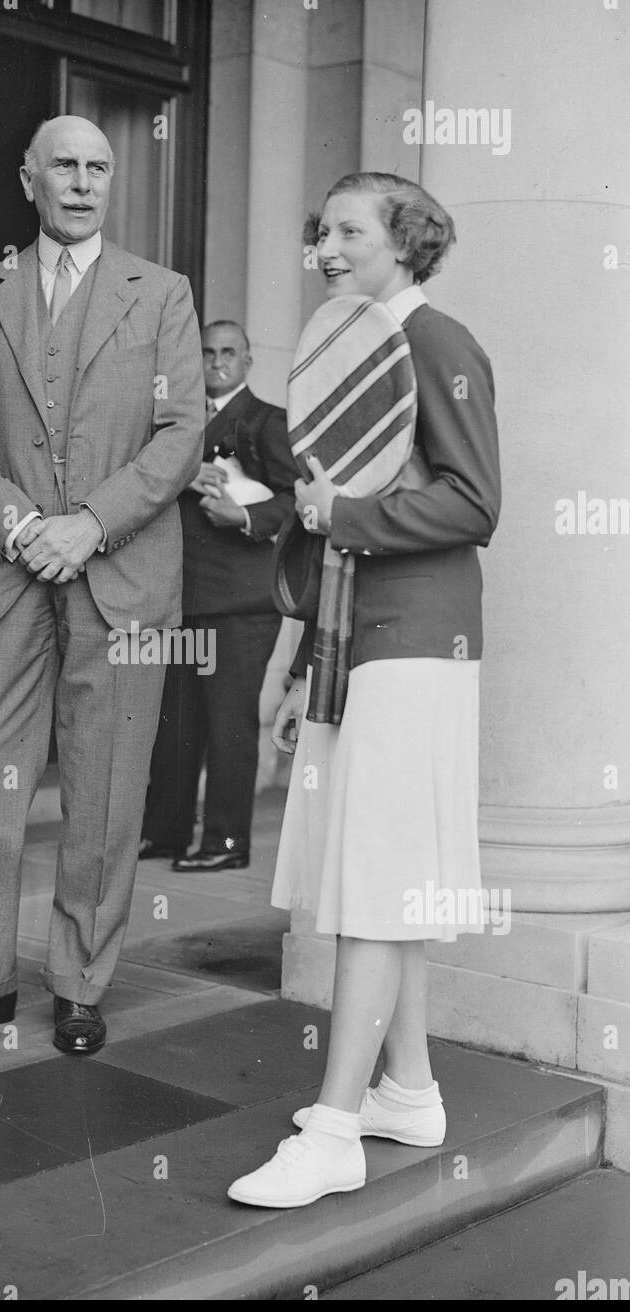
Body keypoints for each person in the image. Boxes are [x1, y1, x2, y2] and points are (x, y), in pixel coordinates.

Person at [0, 116, 204, 1054]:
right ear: (29, 180)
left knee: (106, 787)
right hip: (5, 570)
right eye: (62, 166)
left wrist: (91, 524)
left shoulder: (163, 295)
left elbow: (181, 433)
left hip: (121, 575)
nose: (81, 182)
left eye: (98, 168)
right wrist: (23, 526)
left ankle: (77, 984)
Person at [228, 172, 501, 1207]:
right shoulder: (365, 346)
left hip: (418, 642)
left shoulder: (434, 342)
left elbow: (476, 501)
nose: (328, 247)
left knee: (378, 888)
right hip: (368, 644)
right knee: (384, 880)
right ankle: (409, 1088)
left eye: (351, 229)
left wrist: (340, 510)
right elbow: (342, 509)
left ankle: (336, 1130)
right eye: (321, 230)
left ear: (406, 240)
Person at [139, 320, 298, 871]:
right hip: (179, 596)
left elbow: (299, 501)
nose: (217, 362)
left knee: (229, 723)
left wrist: (246, 515)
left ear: (248, 362)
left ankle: (225, 843)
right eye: (207, 352)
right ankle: (164, 831)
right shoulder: (172, 427)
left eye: (229, 353)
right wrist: (182, 475)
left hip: (241, 601)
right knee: (174, 722)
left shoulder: (268, 421)